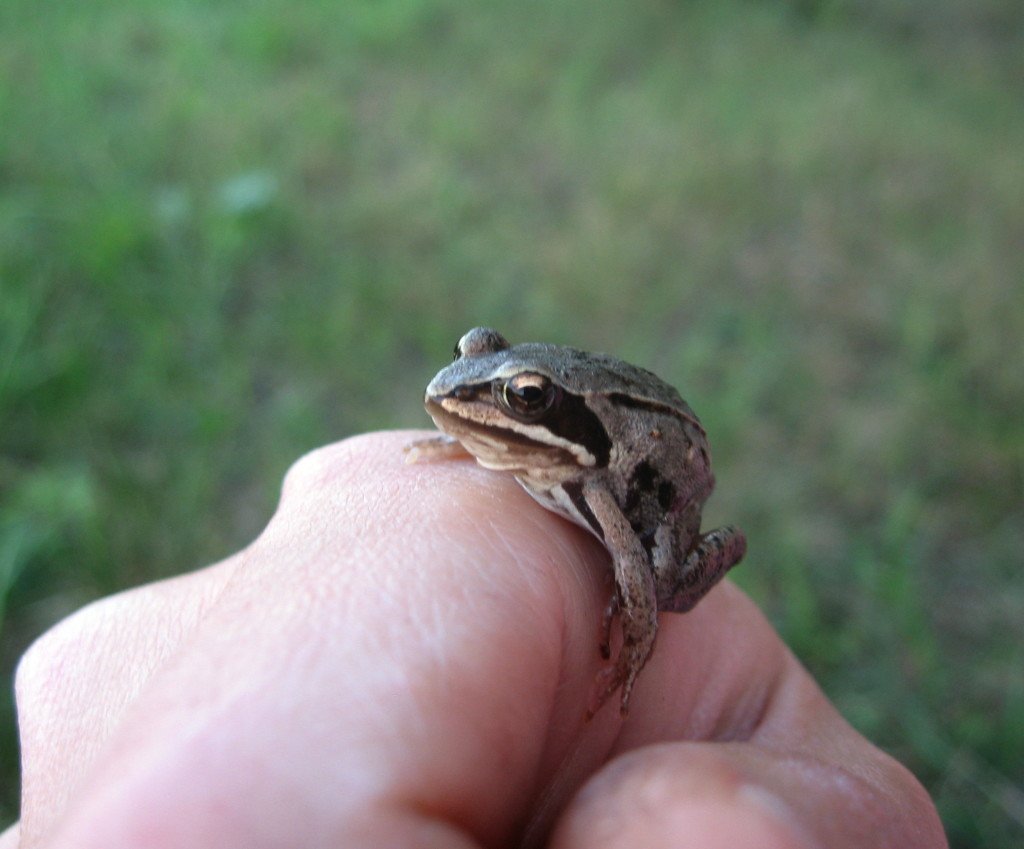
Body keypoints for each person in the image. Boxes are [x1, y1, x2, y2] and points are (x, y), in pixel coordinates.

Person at [3, 433, 947, 848]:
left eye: (524, 396)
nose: (469, 392)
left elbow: (629, 568)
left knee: (659, 583)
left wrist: (632, 649)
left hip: (658, 494)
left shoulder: (597, 484)